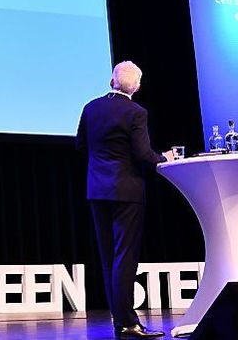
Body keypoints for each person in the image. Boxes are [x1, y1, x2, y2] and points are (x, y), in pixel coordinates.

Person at [76, 61, 172, 339]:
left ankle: (121, 320)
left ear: (111, 81)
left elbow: (80, 145)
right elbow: (144, 155)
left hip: (97, 190)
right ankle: (128, 322)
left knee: (109, 258)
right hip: (126, 192)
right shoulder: (136, 112)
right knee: (124, 257)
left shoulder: (91, 107)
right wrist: (164, 158)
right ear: (138, 87)